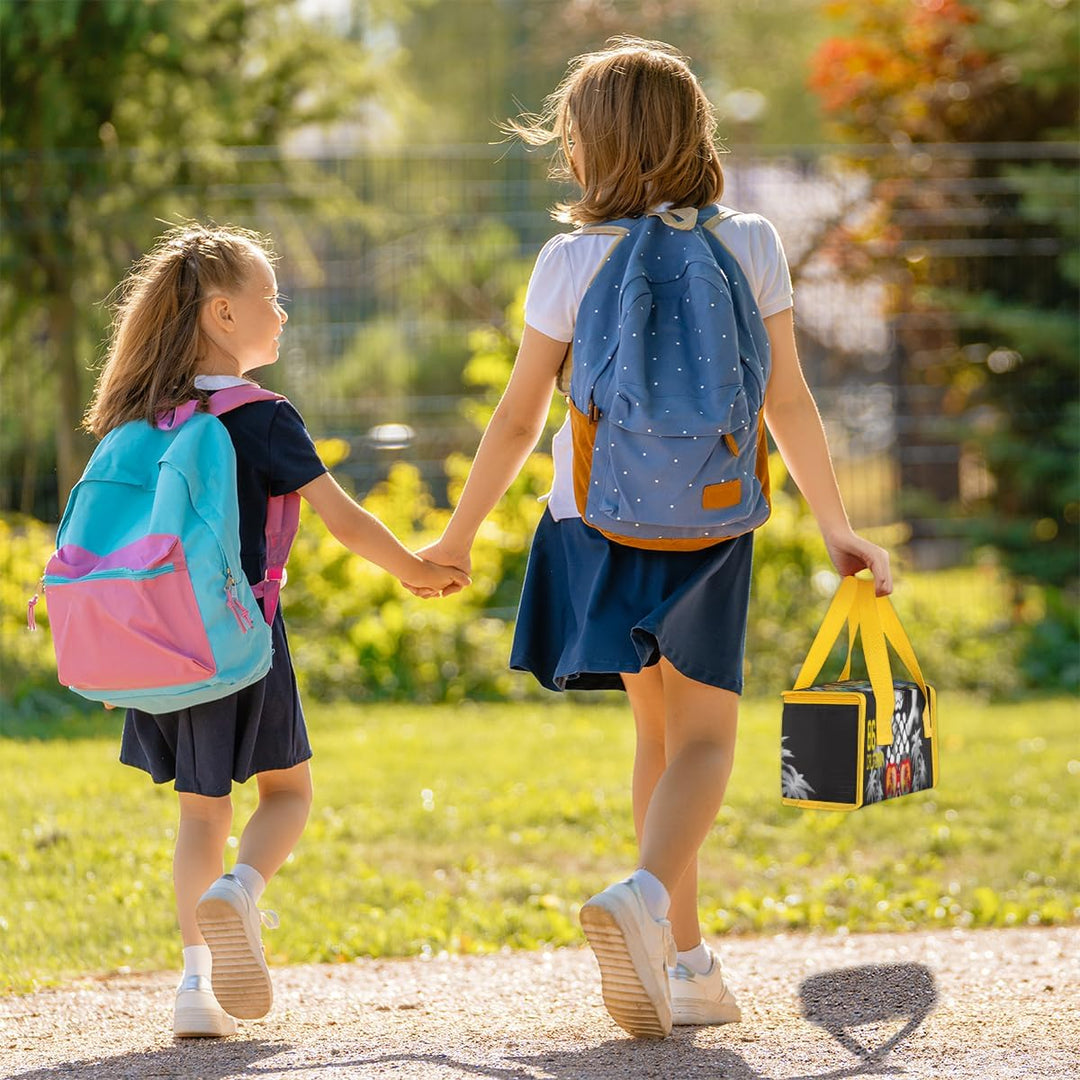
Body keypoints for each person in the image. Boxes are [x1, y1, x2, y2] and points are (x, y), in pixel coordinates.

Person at [419, 38, 892, 1038]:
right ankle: (649, 908)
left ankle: (685, 961)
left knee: (657, 735)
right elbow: (790, 403)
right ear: (694, 136)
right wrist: (838, 526)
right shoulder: (750, 241)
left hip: (594, 522)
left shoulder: (569, 259)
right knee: (708, 738)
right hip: (711, 524)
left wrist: (457, 538)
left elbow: (514, 418)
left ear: (590, 150)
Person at [82, 223, 468, 1038]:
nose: (283, 314)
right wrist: (417, 567)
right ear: (223, 314)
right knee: (288, 794)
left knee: (198, 817)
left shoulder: (144, 414)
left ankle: (195, 989)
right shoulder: (261, 417)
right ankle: (241, 892)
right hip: (241, 643)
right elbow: (345, 520)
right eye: (272, 298)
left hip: (160, 646)